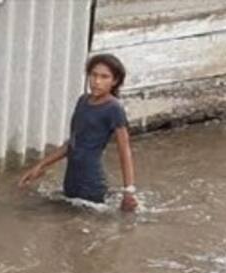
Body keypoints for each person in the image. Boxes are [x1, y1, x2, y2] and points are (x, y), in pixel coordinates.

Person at [18, 54, 138, 212]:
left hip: (91, 182)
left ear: (114, 81)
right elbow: (73, 144)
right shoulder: (83, 101)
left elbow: (124, 150)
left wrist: (128, 191)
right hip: (72, 179)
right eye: (93, 75)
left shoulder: (114, 109)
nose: (97, 81)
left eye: (104, 77)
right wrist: (40, 166)